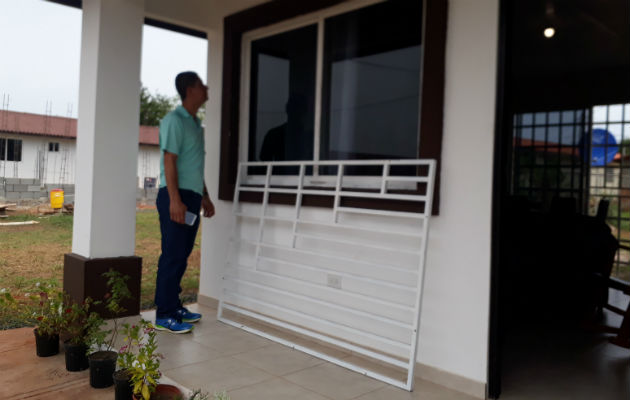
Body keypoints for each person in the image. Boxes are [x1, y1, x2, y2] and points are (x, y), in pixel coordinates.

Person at [154, 71, 215, 333]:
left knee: (182, 255)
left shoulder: (194, 124)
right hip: (174, 195)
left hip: (190, 196)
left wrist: (205, 196)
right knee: (172, 255)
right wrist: (175, 200)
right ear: (190, 89)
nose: (206, 87)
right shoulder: (174, 120)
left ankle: (174, 305)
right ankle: (163, 314)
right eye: (202, 84)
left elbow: (194, 166)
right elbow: (170, 160)